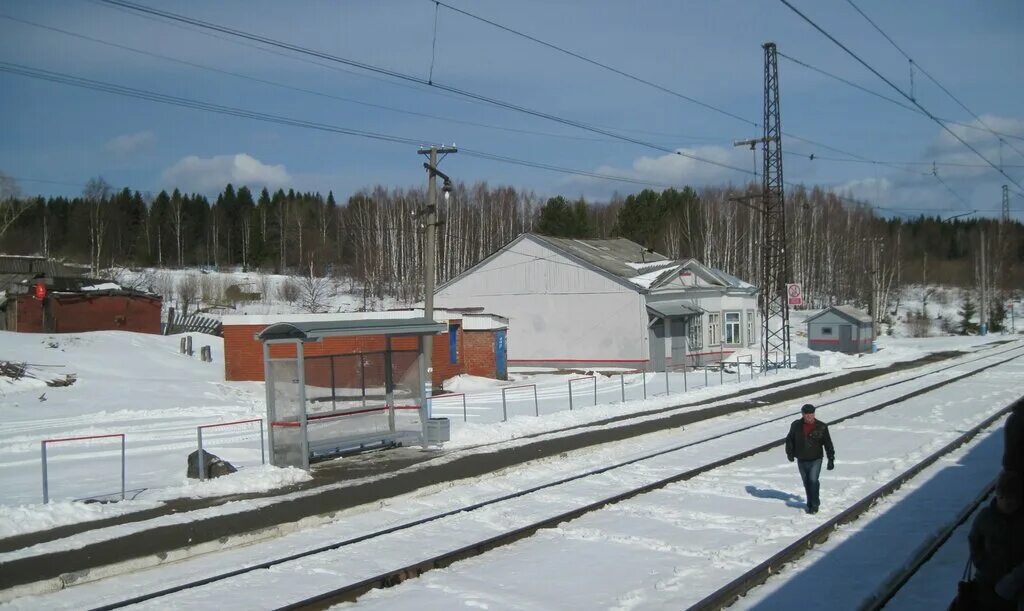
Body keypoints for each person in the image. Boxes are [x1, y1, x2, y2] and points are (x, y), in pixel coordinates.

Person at [969, 470, 1024, 611]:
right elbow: (975, 542)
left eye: (1011, 498)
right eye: (1001, 497)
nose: (1006, 502)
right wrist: (982, 564)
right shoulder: (986, 517)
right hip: (988, 577)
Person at [785, 403, 835, 514]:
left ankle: (815, 504)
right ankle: (810, 502)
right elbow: (790, 440)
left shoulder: (821, 426)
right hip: (801, 459)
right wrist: (790, 453)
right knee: (806, 481)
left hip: (816, 458)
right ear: (802, 414)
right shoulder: (796, 425)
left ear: (814, 414)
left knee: (813, 480)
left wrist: (831, 458)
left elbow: (828, 443)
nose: (809, 417)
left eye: (811, 414)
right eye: (806, 414)